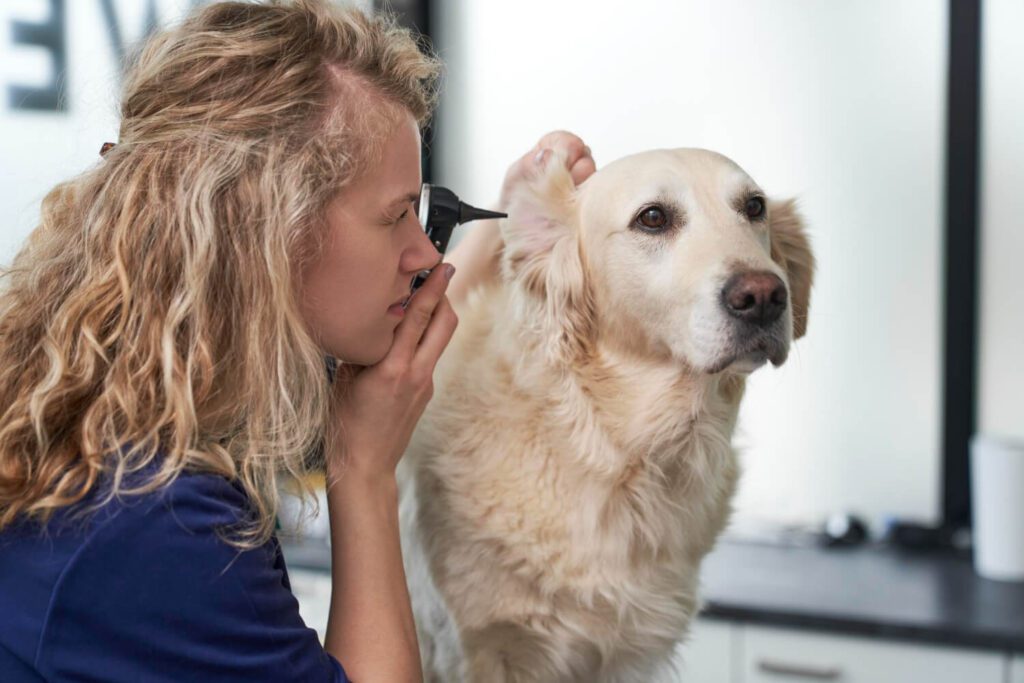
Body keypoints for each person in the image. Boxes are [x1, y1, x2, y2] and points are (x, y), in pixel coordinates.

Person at [0, 1, 595, 681]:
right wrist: (362, 471)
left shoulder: (107, 436)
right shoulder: (163, 524)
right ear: (270, 230)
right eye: (397, 214)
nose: (420, 254)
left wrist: (499, 227)